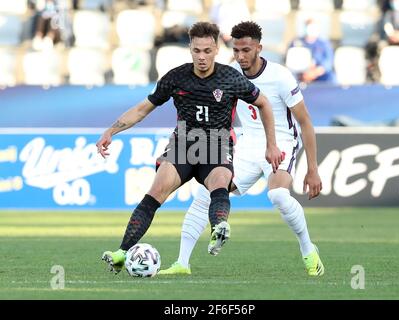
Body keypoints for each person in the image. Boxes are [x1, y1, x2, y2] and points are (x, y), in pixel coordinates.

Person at [96, 22, 283, 274]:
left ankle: (219, 227)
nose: (202, 57)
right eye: (197, 51)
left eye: (207, 50)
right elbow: (143, 108)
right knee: (157, 190)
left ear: (216, 49)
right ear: (190, 49)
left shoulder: (230, 78)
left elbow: (264, 104)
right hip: (184, 144)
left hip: (217, 144)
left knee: (220, 181)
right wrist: (111, 130)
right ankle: (121, 253)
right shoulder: (176, 77)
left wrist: (272, 145)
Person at [159, 21, 324, 277]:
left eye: (246, 50)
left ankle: (307, 249)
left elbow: (305, 122)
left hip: (281, 143)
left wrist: (313, 169)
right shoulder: (230, 73)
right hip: (248, 145)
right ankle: (182, 263)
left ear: (259, 47)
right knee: (206, 194)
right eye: (236, 50)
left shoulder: (280, 77)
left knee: (278, 196)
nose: (240, 56)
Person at [288, 18, 336, 84]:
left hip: (320, 75)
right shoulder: (296, 42)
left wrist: (315, 73)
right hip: (301, 75)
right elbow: (290, 60)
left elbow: (328, 62)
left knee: (331, 77)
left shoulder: (324, 43)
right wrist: (304, 73)